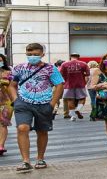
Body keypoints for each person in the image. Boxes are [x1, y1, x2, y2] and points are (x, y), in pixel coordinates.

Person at [11, 42, 64, 172]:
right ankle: (25, 161)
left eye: (35, 54)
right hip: (23, 103)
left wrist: (52, 104)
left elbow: (60, 85)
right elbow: (12, 85)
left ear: (42, 54)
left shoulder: (51, 69)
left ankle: (40, 158)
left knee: (42, 131)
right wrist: (15, 100)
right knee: (22, 128)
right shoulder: (19, 68)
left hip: (44, 103)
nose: (32, 56)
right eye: (29, 54)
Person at [59, 52, 89, 120]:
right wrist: (85, 83)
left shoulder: (64, 64)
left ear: (70, 57)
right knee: (82, 98)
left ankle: (73, 116)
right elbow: (87, 75)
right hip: (80, 84)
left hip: (68, 85)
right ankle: (78, 109)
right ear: (78, 57)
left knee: (70, 100)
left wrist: (63, 84)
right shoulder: (83, 64)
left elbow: (60, 75)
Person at [0, 66, 12, 157]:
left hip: (5, 104)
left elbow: (11, 86)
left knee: (3, 124)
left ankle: (1, 145)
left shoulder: (7, 73)